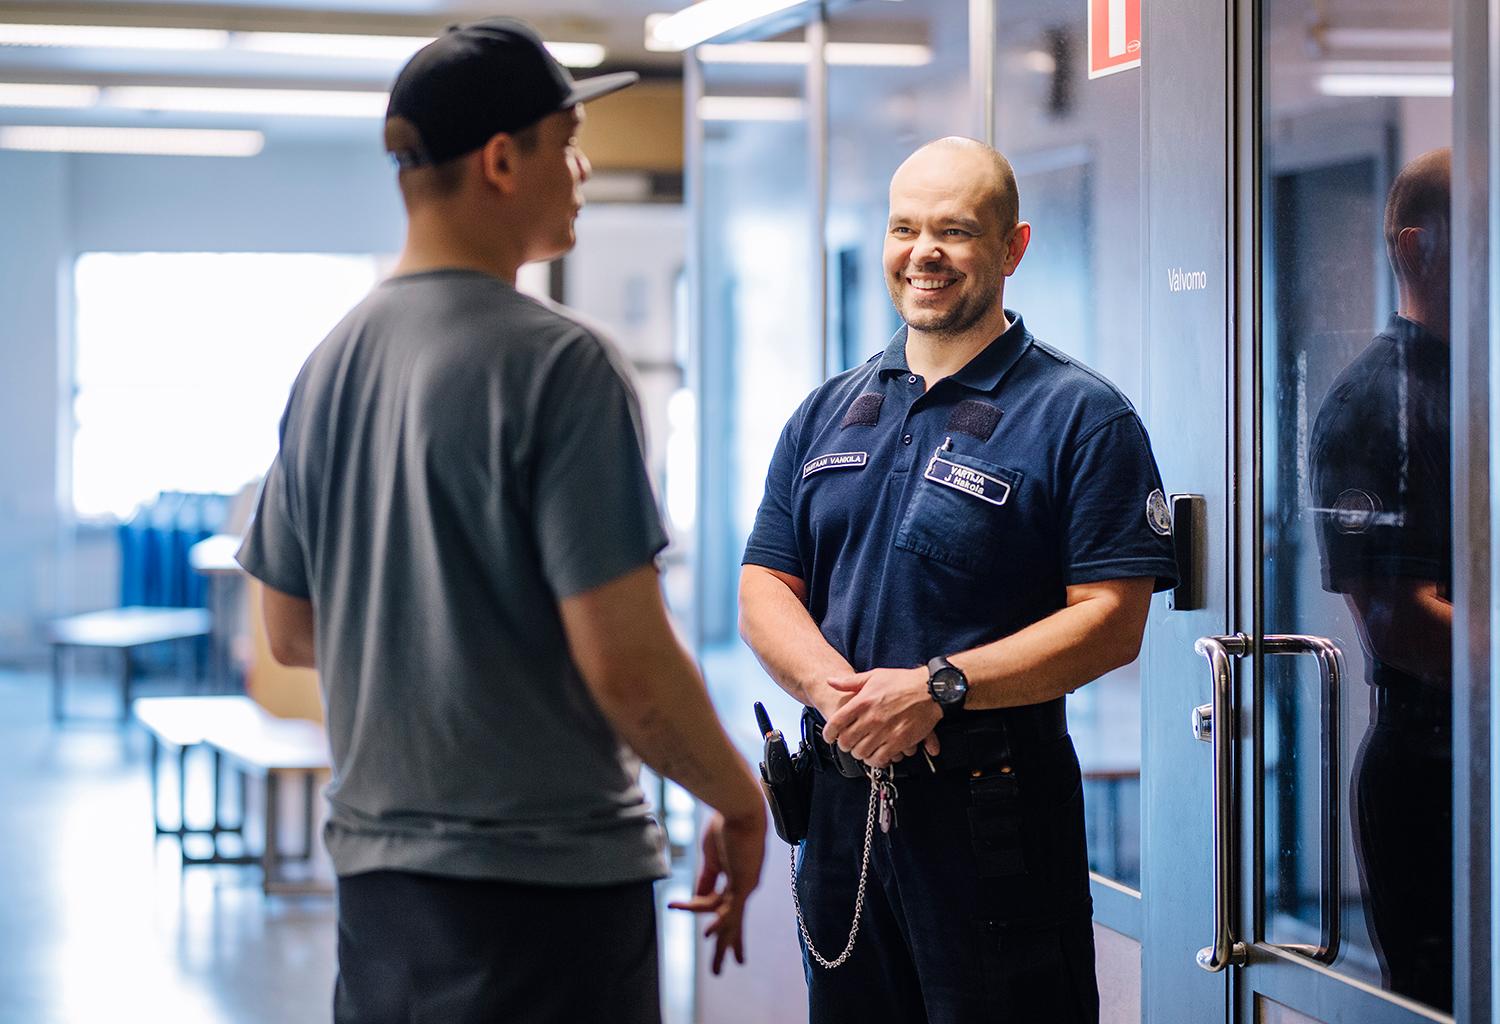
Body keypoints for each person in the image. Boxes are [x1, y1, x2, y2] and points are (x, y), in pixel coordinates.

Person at [236, 18, 765, 1024]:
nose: (583, 167)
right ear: (500, 161)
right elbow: (628, 668)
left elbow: (291, 629)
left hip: (380, 897)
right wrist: (738, 800)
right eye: (567, 141)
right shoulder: (563, 368)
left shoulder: (327, 367)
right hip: (545, 902)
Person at [739, 136, 1178, 1023]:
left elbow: (1110, 620)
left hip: (994, 817)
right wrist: (851, 702)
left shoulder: (1080, 417)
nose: (923, 253)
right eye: (906, 228)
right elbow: (763, 584)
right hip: (840, 807)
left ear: (1012, 248)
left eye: (955, 230)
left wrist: (940, 688)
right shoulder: (829, 409)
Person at [1309, 147, 1452, 1012]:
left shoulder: (1485, 381)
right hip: (1432, 769)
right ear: (1413, 247)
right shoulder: (1374, 405)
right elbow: (1402, 623)